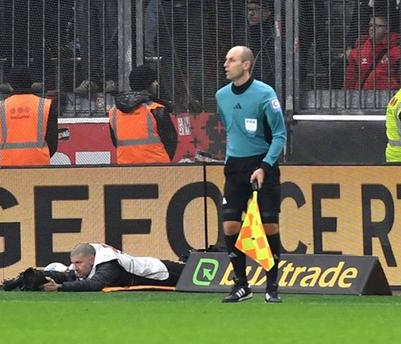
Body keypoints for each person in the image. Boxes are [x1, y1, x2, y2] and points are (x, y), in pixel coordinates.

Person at [215, 44, 287, 304]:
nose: (225, 64)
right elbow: (232, 132)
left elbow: (280, 135)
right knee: (230, 224)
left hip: (262, 165)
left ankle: (272, 285)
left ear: (246, 65)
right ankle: (241, 285)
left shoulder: (265, 94)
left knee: (268, 225)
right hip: (235, 166)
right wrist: (229, 162)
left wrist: (265, 166)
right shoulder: (221, 95)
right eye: (226, 59)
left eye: (231, 60)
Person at [39, 242, 185, 292]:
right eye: (74, 263)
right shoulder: (89, 259)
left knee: (197, 277)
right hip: (151, 271)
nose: (75, 267)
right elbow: (68, 275)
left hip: (161, 272)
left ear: (91, 259)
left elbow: (95, 284)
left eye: (78, 263)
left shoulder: (109, 264)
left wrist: (59, 287)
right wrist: (39, 275)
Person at [108, 64, 178, 164]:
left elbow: (115, 142)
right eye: (154, 81)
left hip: (125, 168)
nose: (157, 84)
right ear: (147, 84)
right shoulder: (157, 109)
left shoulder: (114, 112)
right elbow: (170, 141)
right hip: (158, 167)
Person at [0, 69, 59, 166]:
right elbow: (52, 141)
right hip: (40, 164)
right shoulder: (45, 105)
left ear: (10, 85)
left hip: (9, 164)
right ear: (31, 83)